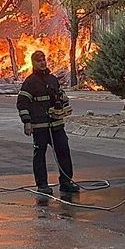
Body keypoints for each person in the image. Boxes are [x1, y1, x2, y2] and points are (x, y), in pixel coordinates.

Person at [17, 50, 79, 195]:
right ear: (33, 63)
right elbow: (22, 103)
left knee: (64, 151)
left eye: (44, 60)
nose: (43, 63)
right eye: (39, 61)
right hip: (40, 127)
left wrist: (63, 99)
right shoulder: (30, 82)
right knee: (40, 155)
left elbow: (59, 96)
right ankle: (42, 185)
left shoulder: (52, 79)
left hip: (56, 125)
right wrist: (27, 122)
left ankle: (66, 182)